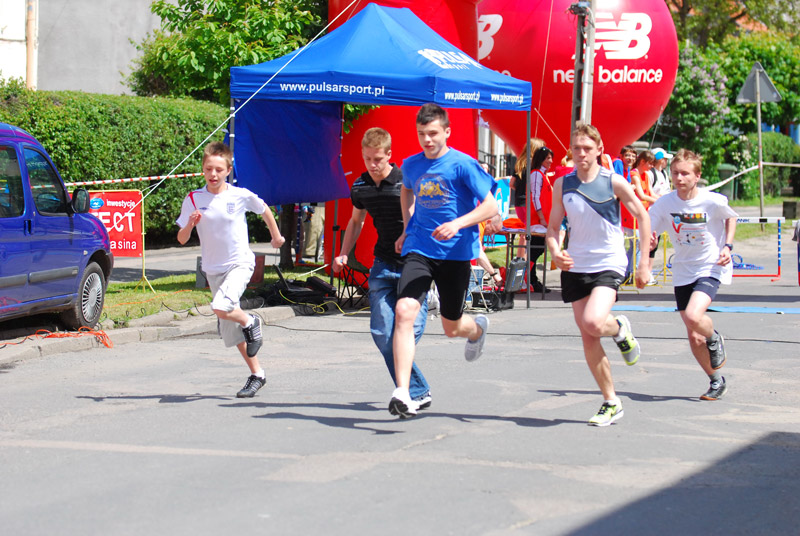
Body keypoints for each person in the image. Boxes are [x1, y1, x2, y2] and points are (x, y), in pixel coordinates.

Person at [389, 103, 499, 418]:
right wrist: (407, 227)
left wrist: (458, 224)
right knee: (404, 311)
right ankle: (403, 392)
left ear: (447, 132)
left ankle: (476, 331)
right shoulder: (411, 165)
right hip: (420, 248)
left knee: (452, 327)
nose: (427, 139)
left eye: (433, 133)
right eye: (422, 134)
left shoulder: (463, 165)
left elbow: (490, 207)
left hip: (455, 253)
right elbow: (407, 191)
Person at [545, 124, 651, 427]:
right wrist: (555, 252)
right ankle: (611, 401)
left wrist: (644, 263)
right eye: (576, 148)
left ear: (599, 150)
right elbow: (553, 227)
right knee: (588, 333)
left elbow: (643, 217)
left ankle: (618, 328)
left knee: (592, 322)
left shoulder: (613, 181)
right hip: (575, 264)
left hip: (609, 262)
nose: (581, 153)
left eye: (587, 148)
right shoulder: (562, 184)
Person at [332, 128, 433, 410]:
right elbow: (356, 221)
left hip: (414, 264)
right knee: (382, 334)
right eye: (367, 159)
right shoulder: (360, 186)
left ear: (389, 154)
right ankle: (415, 391)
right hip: (383, 265)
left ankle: (410, 391)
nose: (372, 165)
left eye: (377, 159)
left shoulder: (406, 181)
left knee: (407, 332)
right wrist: (343, 252)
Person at [177, 141, 285, 398]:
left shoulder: (239, 195)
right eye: (208, 169)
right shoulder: (193, 198)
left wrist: (276, 236)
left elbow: (264, 209)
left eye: (218, 170)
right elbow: (181, 239)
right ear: (203, 170)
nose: (213, 174)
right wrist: (190, 225)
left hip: (239, 263)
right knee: (232, 331)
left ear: (228, 171)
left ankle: (251, 321)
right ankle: (257, 374)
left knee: (220, 307)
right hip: (212, 269)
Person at [648, 149, 737, 400]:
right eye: (675, 173)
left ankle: (714, 337)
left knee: (693, 315)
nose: (679, 178)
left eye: (685, 173)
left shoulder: (712, 200)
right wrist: (650, 240)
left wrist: (727, 246)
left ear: (697, 176)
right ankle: (716, 380)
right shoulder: (665, 203)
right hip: (682, 270)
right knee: (693, 334)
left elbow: (731, 218)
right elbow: (650, 228)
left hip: (710, 266)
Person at [510, 138, 545, 261]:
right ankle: (523, 260)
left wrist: (520, 190)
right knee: (527, 233)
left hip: (518, 202)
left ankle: (519, 259)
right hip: (529, 202)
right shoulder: (534, 165)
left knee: (524, 232)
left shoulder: (520, 163)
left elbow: (511, 183)